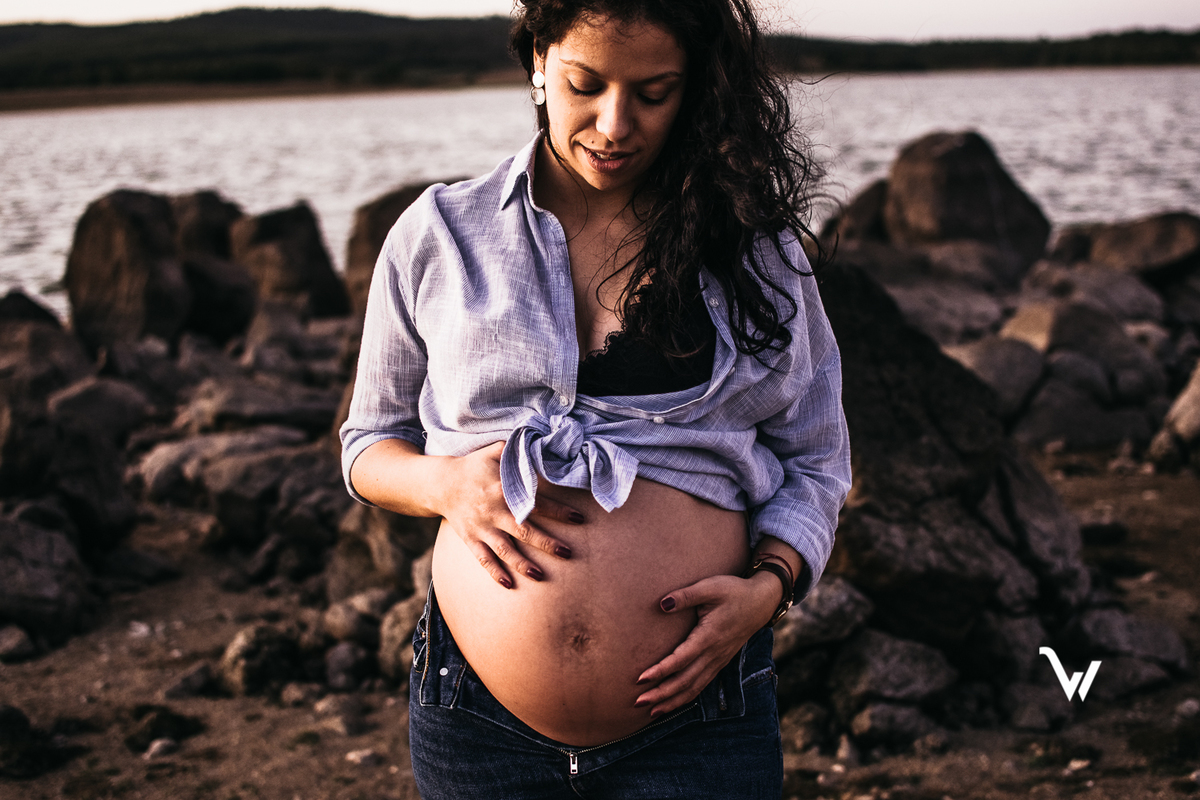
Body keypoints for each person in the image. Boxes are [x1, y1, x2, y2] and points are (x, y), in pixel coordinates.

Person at [340, 0, 851, 796]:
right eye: (586, 84)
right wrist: (446, 484)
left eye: (654, 93)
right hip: (476, 724)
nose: (615, 124)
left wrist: (770, 585)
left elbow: (817, 456)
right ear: (539, 60)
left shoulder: (753, 246)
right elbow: (369, 442)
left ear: (696, 88)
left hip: (698, 723)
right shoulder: (437, 234)